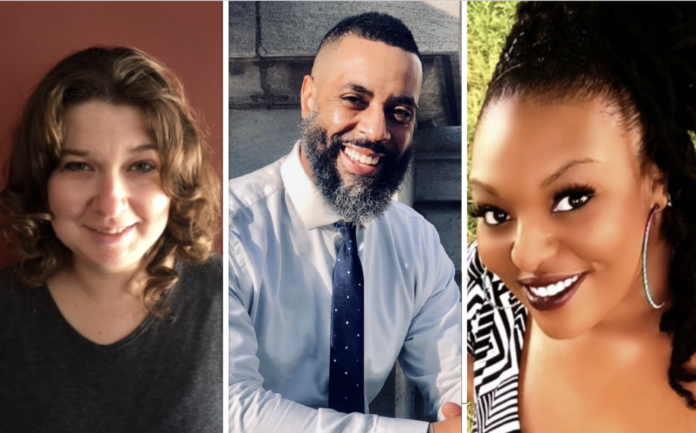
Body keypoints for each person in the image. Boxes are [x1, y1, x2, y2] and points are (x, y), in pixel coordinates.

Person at [467, 2, 696, 432]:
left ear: (656, 177)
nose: (526, 256)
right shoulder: (484, 294)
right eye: (496, 212)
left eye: (572, 199)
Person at [229, 12, 462, 433]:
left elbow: (456, 373)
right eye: (355, 100)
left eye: (400, 112)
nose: (376, 131)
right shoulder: (225, 230)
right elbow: (231, 409)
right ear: (309, 98)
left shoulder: (416, 241)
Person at [0, 46, 222, 432]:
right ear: (42, 181)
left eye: (141, 166)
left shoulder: (233, 292)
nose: (109, 204)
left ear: (177, 179)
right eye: (79, 166)